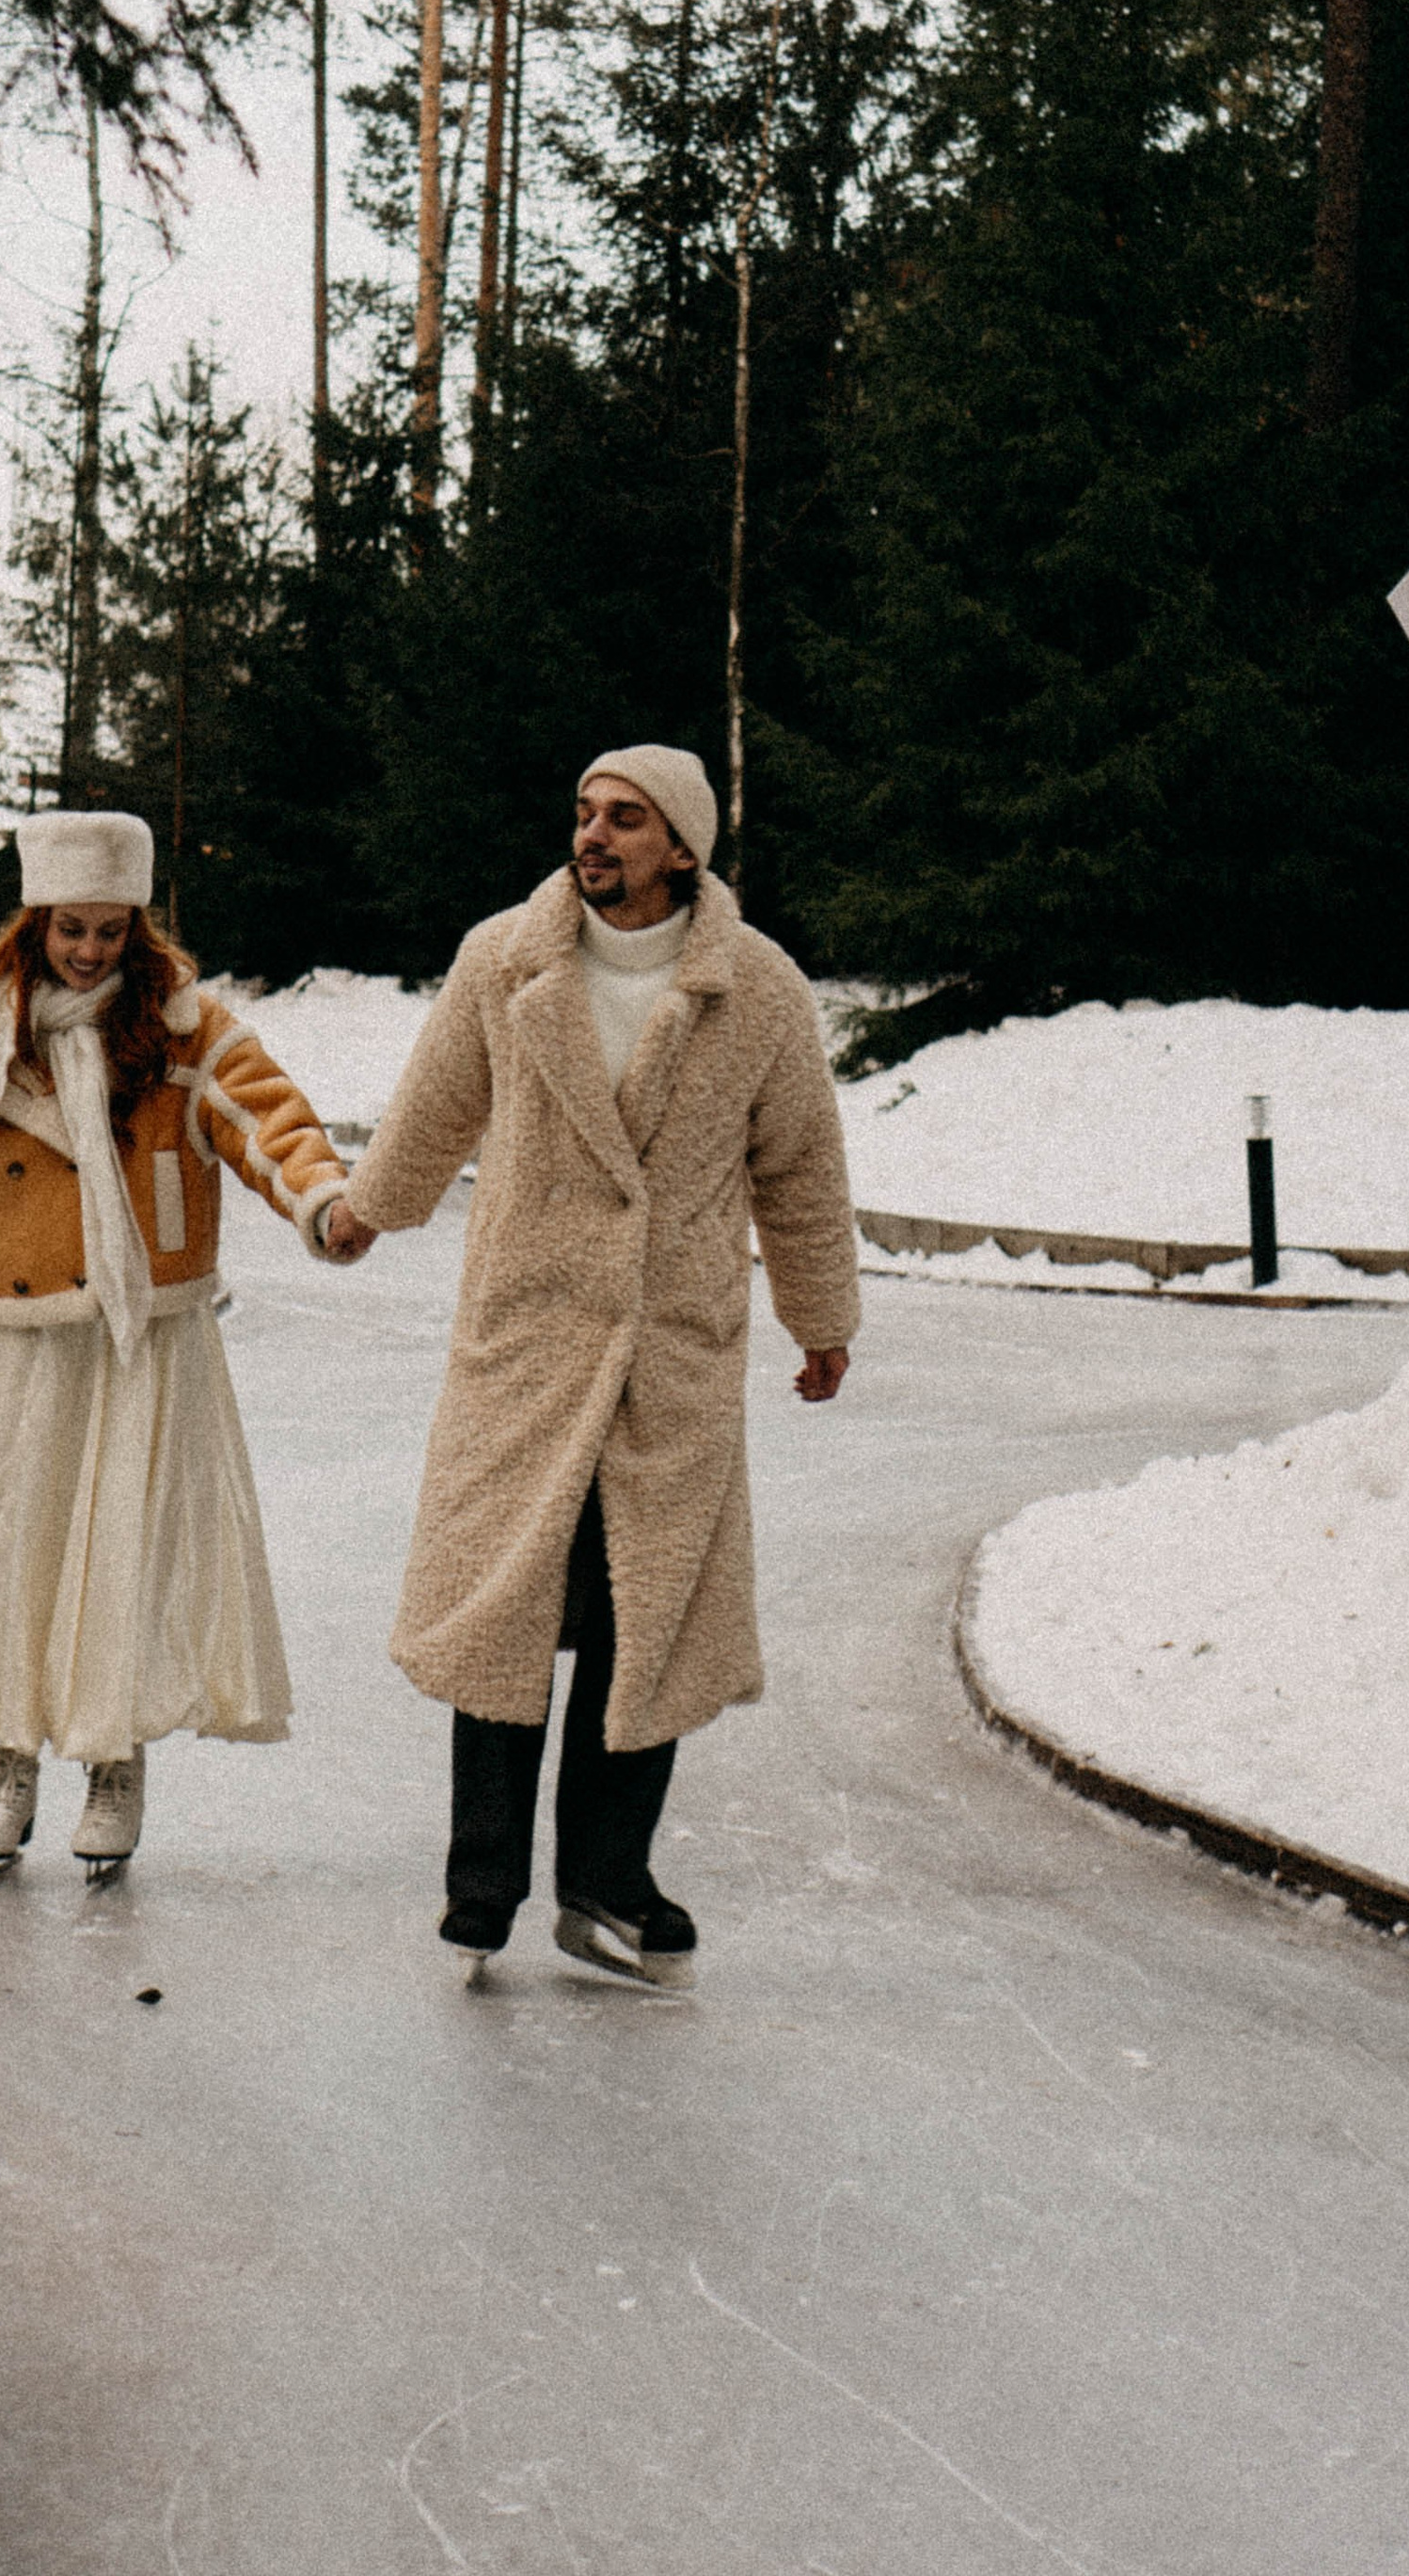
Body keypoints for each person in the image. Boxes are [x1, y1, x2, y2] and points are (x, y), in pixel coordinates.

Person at [323, 744, 859, 1988]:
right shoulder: (504, 958)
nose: (595, 836)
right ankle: (481, 1886)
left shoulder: (759, 991)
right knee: (501, 1607)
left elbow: (801, 1169)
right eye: (583, 813)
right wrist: (366, 1209)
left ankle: (609, 1880)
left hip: (672, 1353)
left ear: (682, 846)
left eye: (626, 820)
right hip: (528, 1336)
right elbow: (434, 1109)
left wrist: (819, 1318)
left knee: (647, 1617)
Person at [0, 811, 352, 1880]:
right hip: (30, 1337)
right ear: (36, 924)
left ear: (137, 929)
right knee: (18, 1549)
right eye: (70, 929)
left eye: (110, 931)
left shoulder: (184, 1028)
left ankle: (114, 1759)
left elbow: (267, 1118)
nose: (89, 950)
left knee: (125, 1550)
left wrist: (320, 1201)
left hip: (147, 1338)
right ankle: (9, 1755)